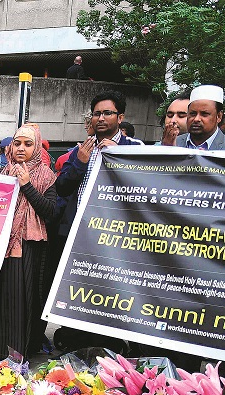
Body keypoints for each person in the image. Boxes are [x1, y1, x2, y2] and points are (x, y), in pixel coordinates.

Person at [52, 90, 143, 354]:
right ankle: (76, 345)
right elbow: (63, 187)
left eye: (107, 113)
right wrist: (79, 162)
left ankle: (108, 347)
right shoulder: (80, 150)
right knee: (78, 293)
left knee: (109, 293)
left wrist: (122, 158)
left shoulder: (133, 148)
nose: (101, 118)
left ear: (120, 117)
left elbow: (142, 191)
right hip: (80, 235)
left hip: (114, 237)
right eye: (96, 113)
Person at [0, 124, 61, 360]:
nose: (21, 148)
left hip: (28, 246)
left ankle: (16, 351)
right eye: (17, 143)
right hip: (1, 244)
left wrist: (26, 185)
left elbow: (50, 212)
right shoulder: (2, 174)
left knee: (20, 298)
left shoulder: (46, 175)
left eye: (28, 144)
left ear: (36, 148)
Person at [176, 85, 225, 150]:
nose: (196, 119)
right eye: (193, 114)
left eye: (204, 114)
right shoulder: (173, 144)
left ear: (219, 116)